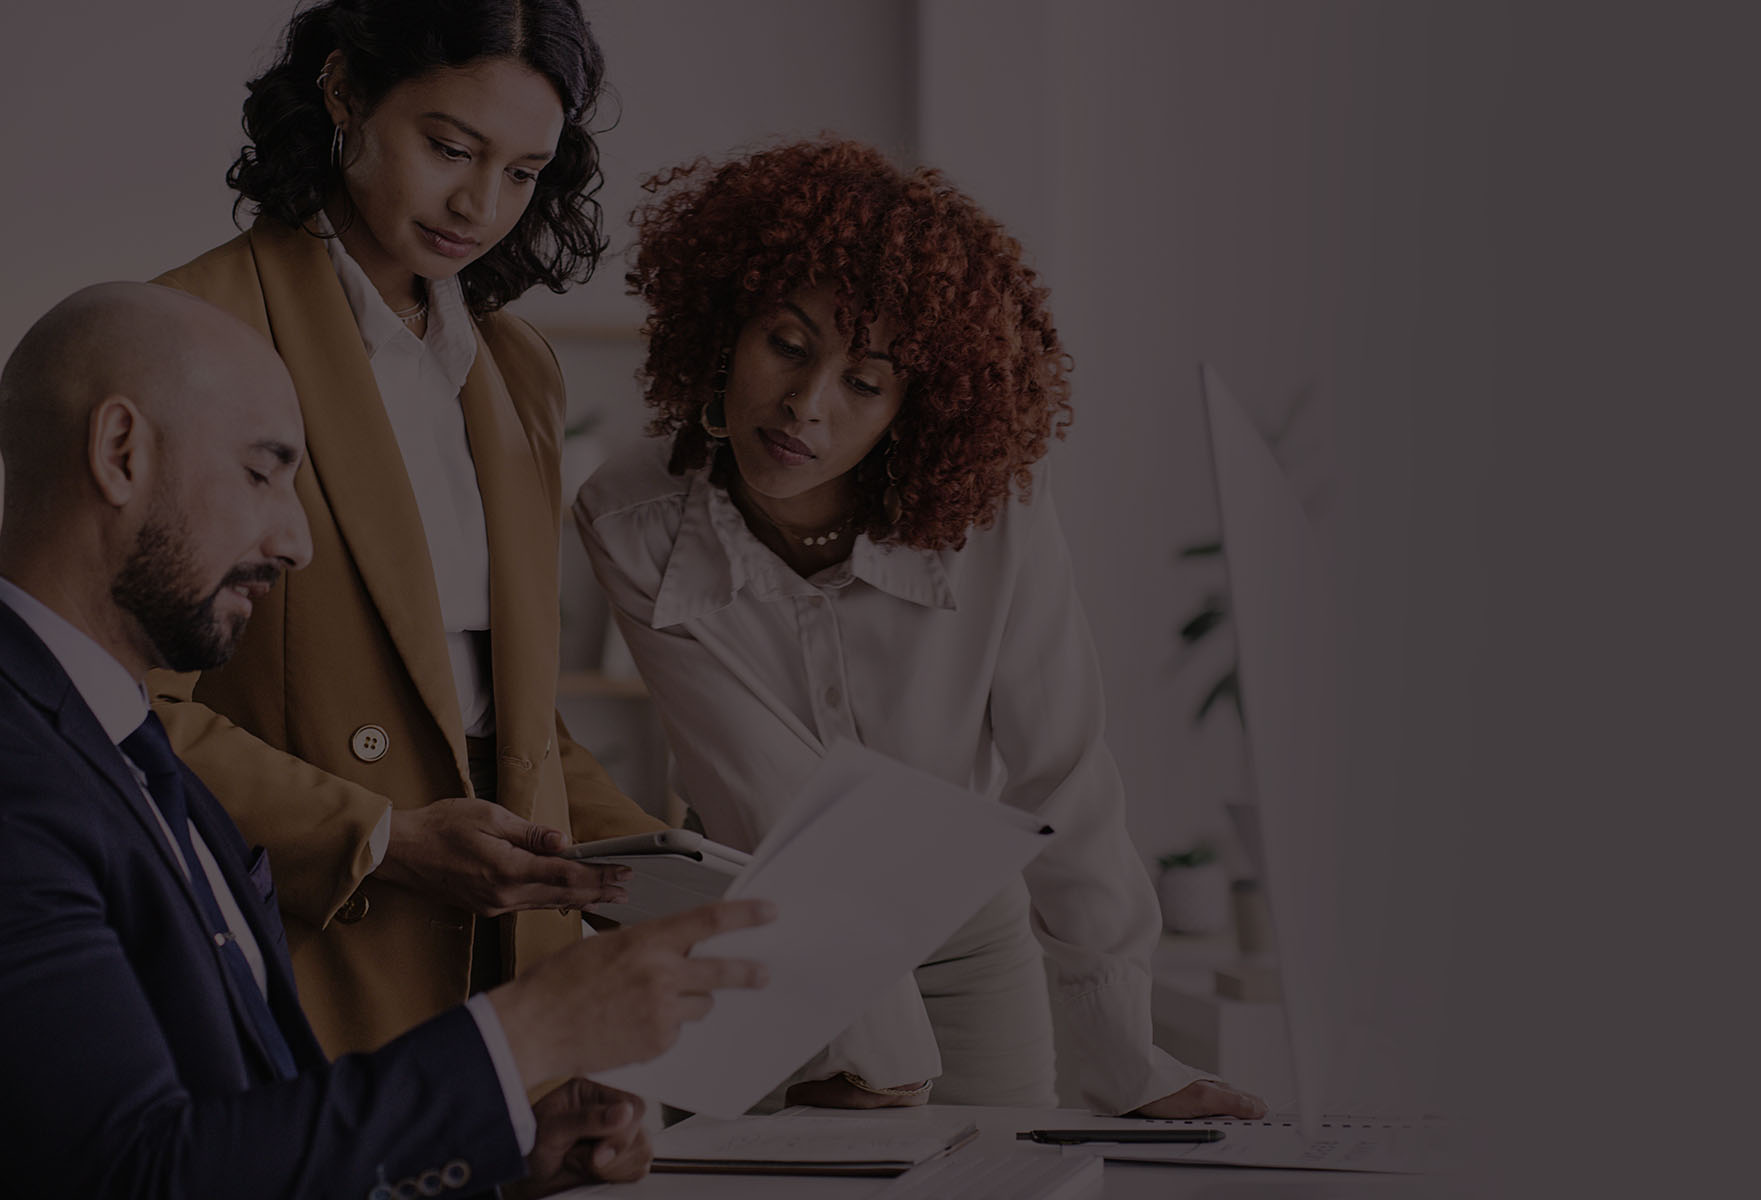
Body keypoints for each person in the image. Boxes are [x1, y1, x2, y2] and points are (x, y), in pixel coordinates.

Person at [0, 282, 774, 1199]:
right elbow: (135, 1179)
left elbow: (232, 1136)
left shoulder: (128, 749)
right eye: (261, 473)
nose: (296, 542)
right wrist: (530, 1034)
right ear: (121, 452)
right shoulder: (21, 776)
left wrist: (496, 1157)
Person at [574, 137, 1264, 1118]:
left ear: (915, 406)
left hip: (970, 939)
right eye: (787, 344)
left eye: (864, 382)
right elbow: (760, 790)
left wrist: (1127, 1061)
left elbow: (1061, 773)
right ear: (727, 325)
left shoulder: (995, 514)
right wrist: (868, 1054)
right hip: (764, 929)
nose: (805, 406)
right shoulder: (630, 518)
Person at [149, 0, 665, 1060]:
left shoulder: (517, 371)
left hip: (513, 967)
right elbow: (108, 711)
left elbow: (509, 717)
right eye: (448, 147)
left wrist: (667, 866)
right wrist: (377, 838)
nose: (479, 203)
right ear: (342, 91)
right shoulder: (188, 338)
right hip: (301, 952)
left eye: (523, 172)